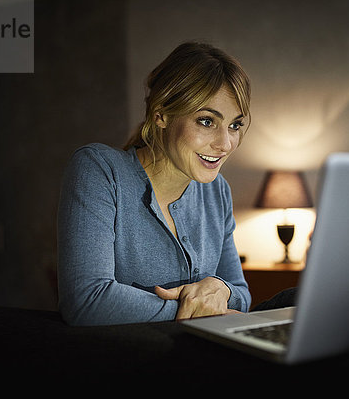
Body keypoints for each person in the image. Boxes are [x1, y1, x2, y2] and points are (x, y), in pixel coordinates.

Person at [57, 41, 254, 326]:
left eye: (235, 125)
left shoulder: (217, 190)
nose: (225, 144)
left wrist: (221, 289)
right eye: (207, 121)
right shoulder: (99, 170)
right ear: (161, 114)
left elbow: (242, 295)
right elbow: (86, 300)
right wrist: (194, 311)